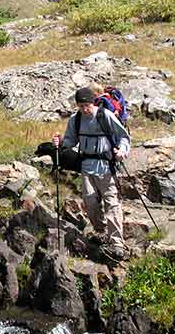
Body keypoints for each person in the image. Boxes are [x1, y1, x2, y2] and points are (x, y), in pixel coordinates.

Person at [53, 86, 130, 261]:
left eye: (86, 105)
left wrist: (122, 151)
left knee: (112, 202)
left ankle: (117, 243)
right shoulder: (76, 119)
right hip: (87, 166)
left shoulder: (105, 116)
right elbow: (71, 141)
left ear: (92, 102)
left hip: (106, 166)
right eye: (81, 106)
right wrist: (60, 141)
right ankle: (102, 231)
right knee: (90, 201)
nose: (84, 109)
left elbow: (123, 137)